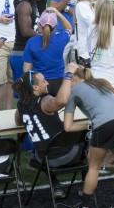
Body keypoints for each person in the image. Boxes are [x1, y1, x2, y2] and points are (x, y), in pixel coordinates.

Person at [62, 64, 114, 208]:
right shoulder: (102, 83)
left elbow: (67, 127)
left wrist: (90, 124)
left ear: (73, 79)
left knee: (94, 167)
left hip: (104, 123)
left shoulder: (73, 91)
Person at [13, 67, 76, 198]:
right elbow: (62, 101)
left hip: (43, 159)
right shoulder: (45, 101)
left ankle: (56, 184)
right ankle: (88, 185)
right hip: (67, 155)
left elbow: (18, 122)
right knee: (90, 138)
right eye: (43, 81)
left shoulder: (21, 105)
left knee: (37, 154)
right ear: (35, 88)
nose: (47, 83)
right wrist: (68, 75)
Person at [22, 8, 73, 97]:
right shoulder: (61, 39)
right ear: (56, 26)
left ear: (39, 25)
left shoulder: (31, 42)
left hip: (41, 83)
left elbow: (26, 69)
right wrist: (57, 13)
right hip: (59, 82)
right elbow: (69, 28)